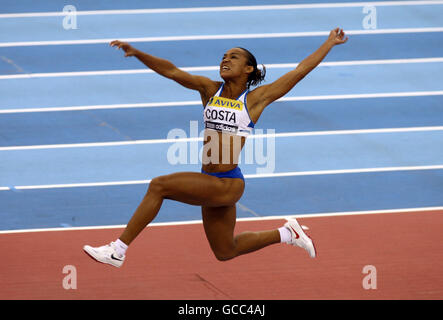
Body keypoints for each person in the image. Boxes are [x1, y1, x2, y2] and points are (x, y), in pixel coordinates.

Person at [84, 28, 348, 268]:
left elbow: (299, 71)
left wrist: (328, 43)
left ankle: (118, 250)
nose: (225, 60)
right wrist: (138, 53)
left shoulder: (255, 99)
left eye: (233, 57)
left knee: (159, 185)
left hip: (227, 183)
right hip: (210, 179)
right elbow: (172, 72)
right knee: (225, 250)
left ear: (248, 69)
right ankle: (288, 233)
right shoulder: (210, 90)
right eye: (223, 56)